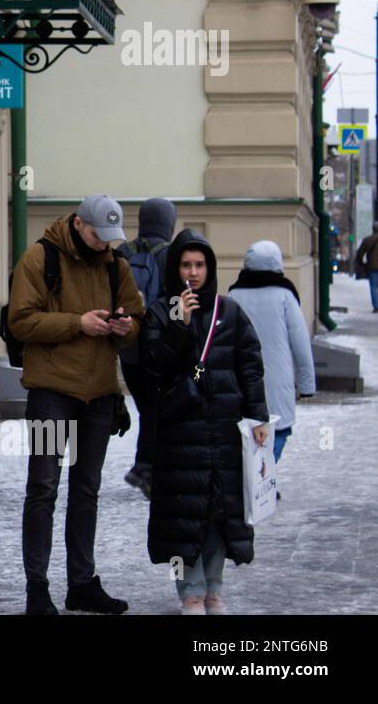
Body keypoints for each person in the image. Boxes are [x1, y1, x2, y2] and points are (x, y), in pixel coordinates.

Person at [8, 195, 145, 615]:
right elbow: (21, 321)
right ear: (79, 224)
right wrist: (77, 323)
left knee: (86, 491)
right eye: (98, 236)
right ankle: (37, 589)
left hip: (99, 396)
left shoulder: (115, 264)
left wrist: (126, 327)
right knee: (43, 489)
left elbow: (136, 321)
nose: (104, 244)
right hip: (51, 394)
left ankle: (81, 584)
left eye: (110, 238)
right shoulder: (39, 257)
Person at [141, 229, 269, 615]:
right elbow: (153, 367)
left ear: (210, 269)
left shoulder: (229, 312)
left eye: (199, 265)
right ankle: (190, 593)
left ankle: (213, 589)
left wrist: (257, 415)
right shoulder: (161, 312)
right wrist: (179, 325)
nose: (192, 273)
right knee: (184, 516)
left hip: (224, 430)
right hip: (180, 432)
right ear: (174, 268)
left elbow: (250, 366)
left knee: (217, 515)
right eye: (185, 264)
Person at [228, 241, 316, 468]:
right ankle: (264, 478)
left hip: (242, 380)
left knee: (248, 432)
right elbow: (300, 343)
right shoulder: (285, 295)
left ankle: (256, 479)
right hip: (279, 381)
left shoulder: (234, 294)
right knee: (279, 431)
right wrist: (307, 386)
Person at [119, 198, 177, 500]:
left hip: (128, 348)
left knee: (148, 409)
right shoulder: (170, 255)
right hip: (158, 348)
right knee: (158, 410)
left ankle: (146, 467)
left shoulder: (123, 252)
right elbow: (177, 302)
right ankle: (145, 468)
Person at [353, 224, 378, 312]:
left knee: (373, 286)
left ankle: (376, 307)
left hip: (372, 266)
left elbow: (359, 253)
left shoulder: (367, 240)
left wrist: (361, 263)